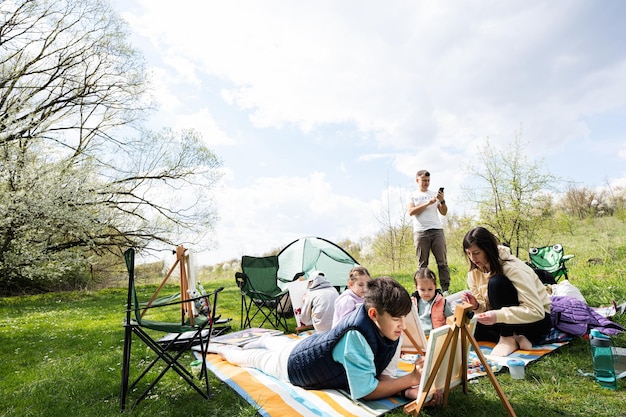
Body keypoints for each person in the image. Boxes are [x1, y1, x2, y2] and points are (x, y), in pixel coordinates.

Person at [216, 277, 443, 403]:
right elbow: (365, 391)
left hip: (307, 345)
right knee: (251, 358)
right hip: (294, 366)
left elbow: (383, 377)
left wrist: (408, 390)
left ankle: (265, 337)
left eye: (405, 318)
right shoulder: (356, 336)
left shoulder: (390, 328)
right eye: (397, 319)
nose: (403, 326)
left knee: (277, 342)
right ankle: (219, 348)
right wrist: (411, 378)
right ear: (373, 314)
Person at [461, 226, 552, 357]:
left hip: (536, 321)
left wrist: (498, 316)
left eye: (476, 253)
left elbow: (536, 311)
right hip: (507, 319)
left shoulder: (513, 268)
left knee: (496, 282)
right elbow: (488, 308)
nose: (472, 258)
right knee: (470, 331)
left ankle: (508, 338)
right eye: (468, 253)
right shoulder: (474, 273)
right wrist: (477, 306)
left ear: (488, 249)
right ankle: (519, 338)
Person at [406, 169, 451, 294]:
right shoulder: (412, 195)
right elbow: (411, 212)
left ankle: (445, 288)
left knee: (442, 262)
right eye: (424, 180)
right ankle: (422, 289)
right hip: (421, 232)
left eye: (428, 181)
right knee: (422, 264)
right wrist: (427, 203)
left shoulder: (434, 194)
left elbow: (444, 212)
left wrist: (442, 201)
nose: (426, 183)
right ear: (417, 180)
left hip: (437, 230)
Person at [411, 268, 453, 336]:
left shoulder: (442, 302)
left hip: (437, 336)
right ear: (416, 288)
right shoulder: (413, 303)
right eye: (422, 290)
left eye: (430, 289)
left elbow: (451, 318)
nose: (426, 293)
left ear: (435, 287)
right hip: (420, 336)